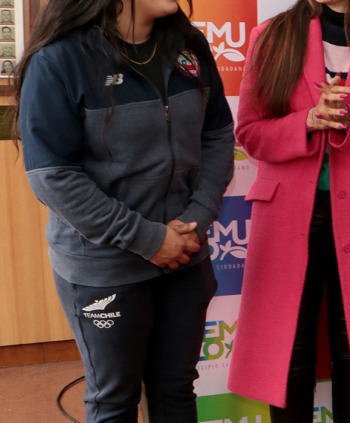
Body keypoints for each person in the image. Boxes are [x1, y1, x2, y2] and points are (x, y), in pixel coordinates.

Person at [13, 0, 234, 420]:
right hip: (105, 265)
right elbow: (54, 176)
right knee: (114, 399)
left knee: (177, 389)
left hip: (185, 255)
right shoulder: (59, 60)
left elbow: (218, 136)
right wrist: (149, 239)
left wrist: (196, 218)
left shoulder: (189, 45)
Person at [226, 0, 350, 420]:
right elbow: (250, 133)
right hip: (286, 217)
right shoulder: (272, 37)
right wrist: (308, 120)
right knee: (288, 349)